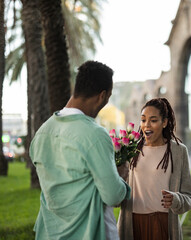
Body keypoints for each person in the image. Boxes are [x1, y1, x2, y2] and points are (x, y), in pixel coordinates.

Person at [30, 60, 131, 240]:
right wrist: (122, 175)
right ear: (102, 96)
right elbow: (113, 196)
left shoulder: (42, 133)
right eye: (108, 99)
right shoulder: (95, 134)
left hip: (49, 234)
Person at [117, 98, 191, 240]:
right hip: (133, 225)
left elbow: (189, 196)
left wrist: (176, 199)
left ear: (164, 122)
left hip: (164, 225)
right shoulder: (129, 150)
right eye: (143, 120)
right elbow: (117, 195)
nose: (146, 125)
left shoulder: (178, 151)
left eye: (153, 120)